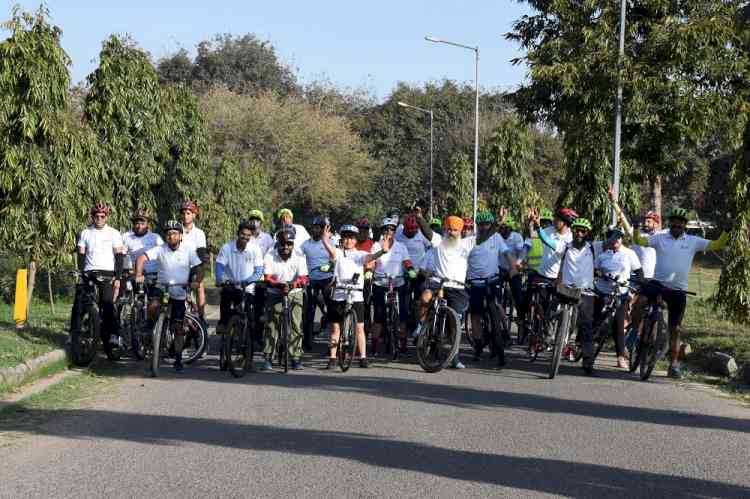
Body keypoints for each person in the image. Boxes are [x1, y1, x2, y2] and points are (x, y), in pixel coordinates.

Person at [616, 201, 729, 378]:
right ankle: (634, 331)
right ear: (669, 223)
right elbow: (639, 240)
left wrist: (727, 231)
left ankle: (673, 365)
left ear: (684, 225)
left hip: (678, 290)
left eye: (680, 222)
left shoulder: (693, 241)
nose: (676, 225)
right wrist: (636, 228)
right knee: (641, 302)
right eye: (674, 222)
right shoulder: (660, 238)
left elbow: (717, 245)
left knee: (675, 329)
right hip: (658, 284)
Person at [531, 212, 599, 375]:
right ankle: (548, 338)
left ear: (587, 233)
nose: (579, 234)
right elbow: (547, 241)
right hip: (565, 289)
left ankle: (588, 363)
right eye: (576, 230)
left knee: (586, 327)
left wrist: (617, 214)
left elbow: (613, 240)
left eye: (583, 231)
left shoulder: (593, 247)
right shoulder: (565, 246)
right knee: (550, 312)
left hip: (585, 292)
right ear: (573, 231)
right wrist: (538, 227)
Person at [135, 220, 203, 372]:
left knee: (178, 328)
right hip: (162, 287)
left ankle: (178, 358)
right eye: (168, 234)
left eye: (174, 233)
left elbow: (199, 268)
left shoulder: (188, 250)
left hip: (179, 290)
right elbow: (141, 258)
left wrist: (196, 282)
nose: (171, 236)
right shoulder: (160, 249)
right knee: (152, 305)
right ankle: (150, 324)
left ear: (180, 236)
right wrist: (139, 273)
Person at [320, 224, 390, 369]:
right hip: (339, 293)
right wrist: (325, 240)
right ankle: (332, 359)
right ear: (342, 239)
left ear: (355, 240)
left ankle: (363, 357)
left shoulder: (359, 254)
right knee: (335, 328)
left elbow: (369, 257)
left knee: (360, 328)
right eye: (345, 238)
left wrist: (382, 252)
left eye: (351, 238)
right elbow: (332, 253)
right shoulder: (338, 253)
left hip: (356, 295)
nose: (348, 241)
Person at [415, 216, 471, 369]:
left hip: (457, 287)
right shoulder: (439, 240)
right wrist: (419, 217)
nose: (451, 232)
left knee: (455, 325)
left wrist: (497, 223)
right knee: (425, 297)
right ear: (445, 229)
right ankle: (421, 325)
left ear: (460, 231)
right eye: (449, 229)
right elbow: (427, 231)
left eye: (455, 230)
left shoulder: (467, 243)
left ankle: (455, 357)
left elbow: (485, 236)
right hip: (438, 283)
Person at [466, 211, 518, 365]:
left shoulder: (497, 238)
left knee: (496, 305)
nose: (483, 227)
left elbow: (507, 254)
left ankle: (504, 332)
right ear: (477, 226)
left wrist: (513, 267)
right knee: (475, 315)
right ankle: (477, 345)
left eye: (486, 224)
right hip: (475, 283)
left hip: (492, 280)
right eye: (481, 224)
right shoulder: (471, 240)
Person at [73, 203, 125, 348]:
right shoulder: (85, 232)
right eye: (96, 216)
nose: (99, 219)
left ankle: (114, 334)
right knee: (79, 302)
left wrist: (118, 278)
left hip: (107, 272)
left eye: (102, 216)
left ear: (107, 217)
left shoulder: (114, 233)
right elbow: (81, 255)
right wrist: (81, 273)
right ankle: (74, 333)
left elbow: (119, 256)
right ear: (92, 217)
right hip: (89, 271)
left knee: (108, 303)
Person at [593, 227, 643, 368]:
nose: (616, 240)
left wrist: (637, 288)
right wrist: (599, 274)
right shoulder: (603, 255)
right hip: (603, 291)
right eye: (612, 238)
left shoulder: (629, 253)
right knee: (595, 319)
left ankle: (621, 357)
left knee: (619, 325)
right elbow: (595, 269)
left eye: (618, 237)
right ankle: (583, 345)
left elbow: (639, 272)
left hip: (620, 293)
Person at [262, 228, 309, 371]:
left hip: (295, 291)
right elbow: (267, 277)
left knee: (296, 325)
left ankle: (295, 357)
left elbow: (304, 277)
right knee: (272, 325)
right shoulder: (270, 255)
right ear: (278, 243)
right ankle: (268, 357)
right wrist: (279, 285)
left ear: (293, 244)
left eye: (289, 244)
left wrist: (294, 284)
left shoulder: (299, 255)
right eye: (283, 244)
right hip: (275, 291)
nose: (286, 247)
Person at [369, 217, 415, 356]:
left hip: (398, 283)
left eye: (392, 229)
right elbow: (371, 262)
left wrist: (411, 269)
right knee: (378, 317)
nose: (389, 231)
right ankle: (375, 346)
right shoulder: (376, 246)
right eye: (386, 229)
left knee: (402, 317)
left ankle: (402, 345)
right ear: (382, 231)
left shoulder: (401, 247)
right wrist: (369, 272)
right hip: (380, 283)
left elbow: (407, 261)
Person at [214, 221, 265, 346]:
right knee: (225, 295)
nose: (245, 237)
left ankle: (251, 341)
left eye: (248, 235)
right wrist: (219, 278)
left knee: (251, 316)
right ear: (238, 233)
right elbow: (220, 265)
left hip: (248, 288)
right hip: (231, 285)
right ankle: (224, 324)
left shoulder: (255, 249)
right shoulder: (227, 248)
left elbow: (258, 271)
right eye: (243, 234)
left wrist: (248, 281)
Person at [299, 216, 335, 351]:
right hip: (312, 280)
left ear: (323, 229)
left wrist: (330, 266)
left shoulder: (329, 242)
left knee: (331, 311)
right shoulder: (306, 244)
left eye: (319, 227)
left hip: (327, 278)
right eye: (314, 227)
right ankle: (307, 341)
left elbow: (335, 258)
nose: (316, 230)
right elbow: (296, 256)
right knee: (308, 311)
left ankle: (332, 344)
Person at [179, 201, 209, 327]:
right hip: (178, 266)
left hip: (194, 266)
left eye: (188, 213)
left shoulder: (199, 233)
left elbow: (201, 254)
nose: (186, 216)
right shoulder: (176, 229)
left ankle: (201, 317)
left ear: (194, 215)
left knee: (200, 286)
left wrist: (199, 273)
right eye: (184, 213)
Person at [497, 214, 525, 339]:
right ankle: (498, 319)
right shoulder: (497, 237)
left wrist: (517, 266)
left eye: (504, 228)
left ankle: (521, 320)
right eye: (500, 228)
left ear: (509, 229)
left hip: (514, 269)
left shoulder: (517, 237)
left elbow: (521, 253)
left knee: (518, 295)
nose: (501, 231)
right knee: (496, 294)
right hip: (500, 268)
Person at [122, 208, 163, 285]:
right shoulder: (128, 239)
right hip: (133, 274)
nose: (139, 226)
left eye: (142, 223)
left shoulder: (155, 237)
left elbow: (164, 253)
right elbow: (123, 255)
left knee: (155, 296)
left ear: (147, 224)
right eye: (137, 223)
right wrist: (126, 270)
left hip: (152, 274)